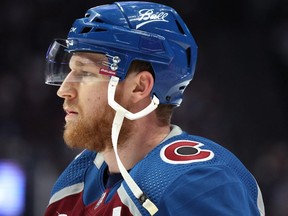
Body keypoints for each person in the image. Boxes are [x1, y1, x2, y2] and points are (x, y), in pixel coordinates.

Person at [44, 1, 265, 215]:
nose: (64, 90)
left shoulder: (198, 183)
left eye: (85, 73)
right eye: (70, 72)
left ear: (139, 87)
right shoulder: (74, 183)